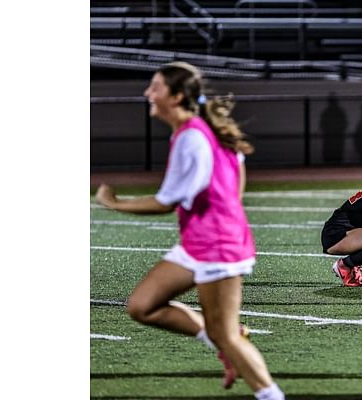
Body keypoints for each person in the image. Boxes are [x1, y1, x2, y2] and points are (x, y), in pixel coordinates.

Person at [94, 62, 285, 399]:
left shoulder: (192, 137)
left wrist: (114, 203)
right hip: (201, 241)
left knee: (226, 335)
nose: (147, 93)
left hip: (217, 246)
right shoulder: (198, 131)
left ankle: (270, 394)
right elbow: (235, 184)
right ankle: (221, 337)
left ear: (177, 96)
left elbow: (166, 201)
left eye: (155, 87)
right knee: (142, 305)